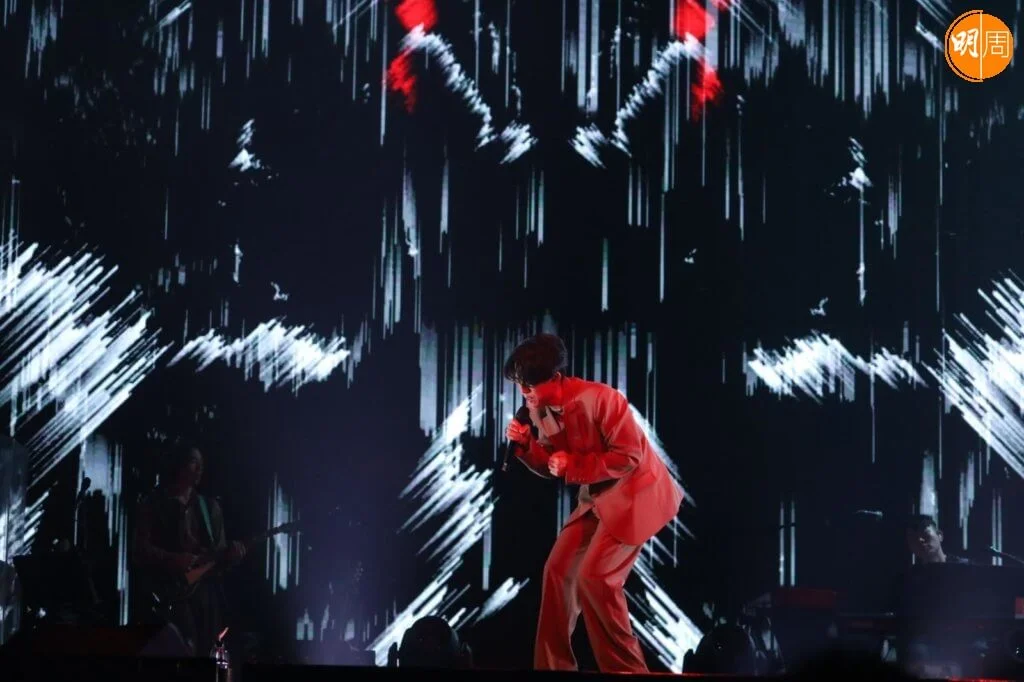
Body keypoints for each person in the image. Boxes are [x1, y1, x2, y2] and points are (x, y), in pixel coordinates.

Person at [503, 333, 684, 673]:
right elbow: (552, 465)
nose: (524, 392)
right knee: (558, 571)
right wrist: (528, 446)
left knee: (596, 579)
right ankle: (552, 668)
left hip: (634, 496)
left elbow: (628, 456)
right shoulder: (539, 410)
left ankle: (626, 672)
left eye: (529, 384)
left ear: (554, 377)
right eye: (519, 384)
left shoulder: (602, 399)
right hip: (597, 499)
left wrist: (572, 464)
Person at [132, 444, 246, 655]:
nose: (200, 469)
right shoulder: (153, 504)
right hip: (165, 599)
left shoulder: (210, 508)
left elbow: (218, 559)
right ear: (178, 465)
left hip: (205, 601)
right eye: (194, 462)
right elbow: (140, 550)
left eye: (201, 464)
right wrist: (173, 559)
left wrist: (231, 558)